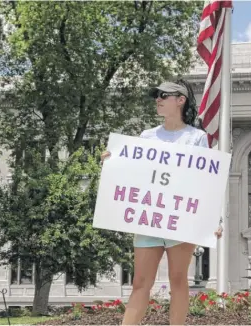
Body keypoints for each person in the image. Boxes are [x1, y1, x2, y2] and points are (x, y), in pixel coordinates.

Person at [100, 79, 223, 325]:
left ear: (180, 100)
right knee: (140, 283)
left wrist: (214, 218)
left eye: (164, 95)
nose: (158, 99)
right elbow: (136, 173)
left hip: (181, 220)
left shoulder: (196, 138)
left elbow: (205, 180)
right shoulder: (147, 136)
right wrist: (113, 162)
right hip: (149, 220)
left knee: (179, 281)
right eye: (156, 94)